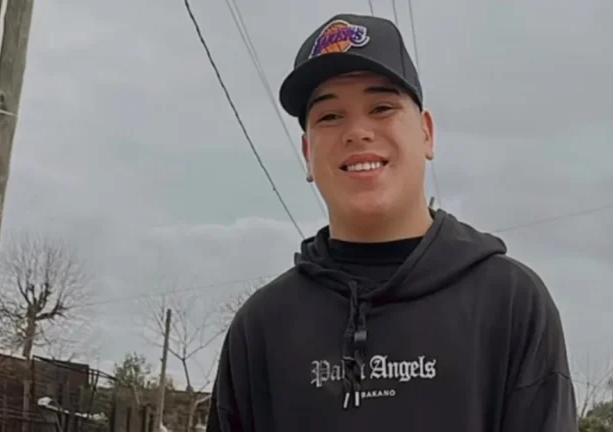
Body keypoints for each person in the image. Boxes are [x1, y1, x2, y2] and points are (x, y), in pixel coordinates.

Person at [206, 12, 578, 432]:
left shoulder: (510, 303)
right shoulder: (261, 326)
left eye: (381, 107)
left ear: (427, 134)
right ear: (307, 154)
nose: (357, 131)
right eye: (330, 116)